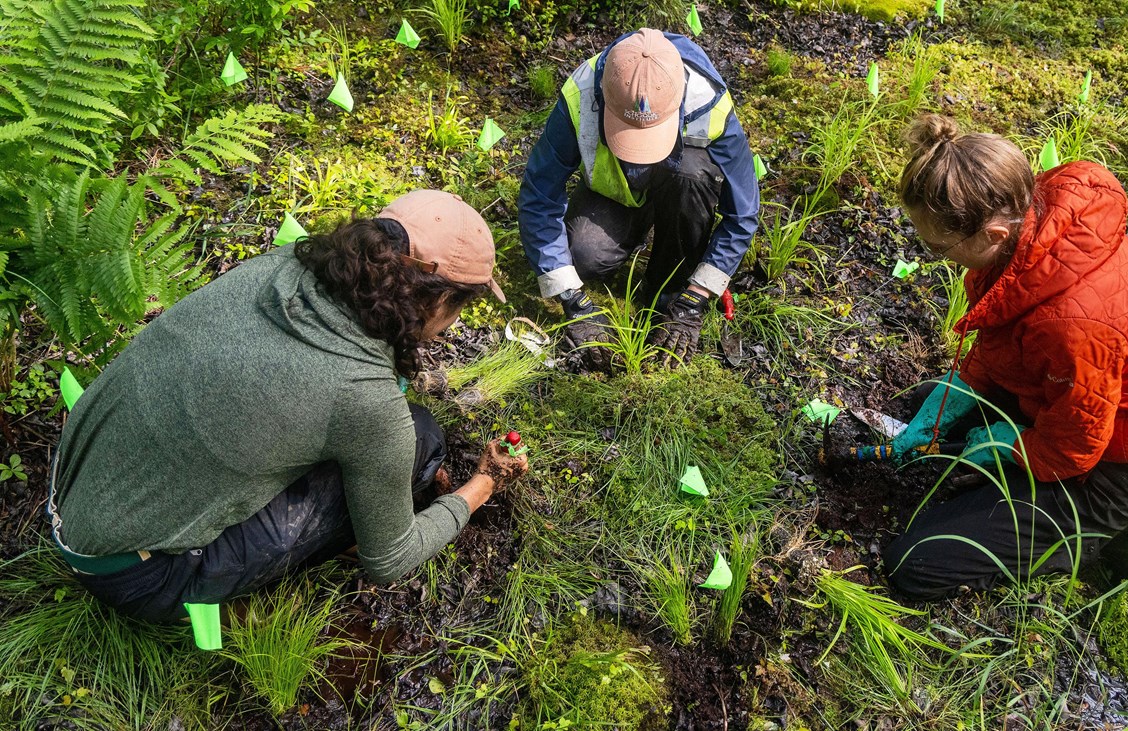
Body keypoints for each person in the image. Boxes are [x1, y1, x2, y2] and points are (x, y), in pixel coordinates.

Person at [47, 190, 529, 622]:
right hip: (138, 575)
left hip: (73, 485)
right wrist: (482, 485)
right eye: (460, 308)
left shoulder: (281, 266)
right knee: (420, 439)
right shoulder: (364, 399)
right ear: (439, 299)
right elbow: (390, 561)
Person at [880, 115, 1128, 601]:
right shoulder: (1033, 229)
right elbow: (1009, 335)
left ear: (989, 233)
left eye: (937, 246)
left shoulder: (1074, 323)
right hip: (1075, 401)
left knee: (915, 564)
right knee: (932, 402)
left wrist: (1009, 449)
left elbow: (1076, 446)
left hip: (1117, 462)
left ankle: (1108, 536)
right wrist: (965, 388)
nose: (934, 255)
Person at [518, 27, 759, 369]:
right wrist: (572, 300)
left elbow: (742, 215)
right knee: (583, 257)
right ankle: (630, 230)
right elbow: (540, 195)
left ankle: (668, 290)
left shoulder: (709, 102)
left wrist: (697, 297)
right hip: (614, 195)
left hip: (680, 187)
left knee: (692, 175)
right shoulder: (581, 94)